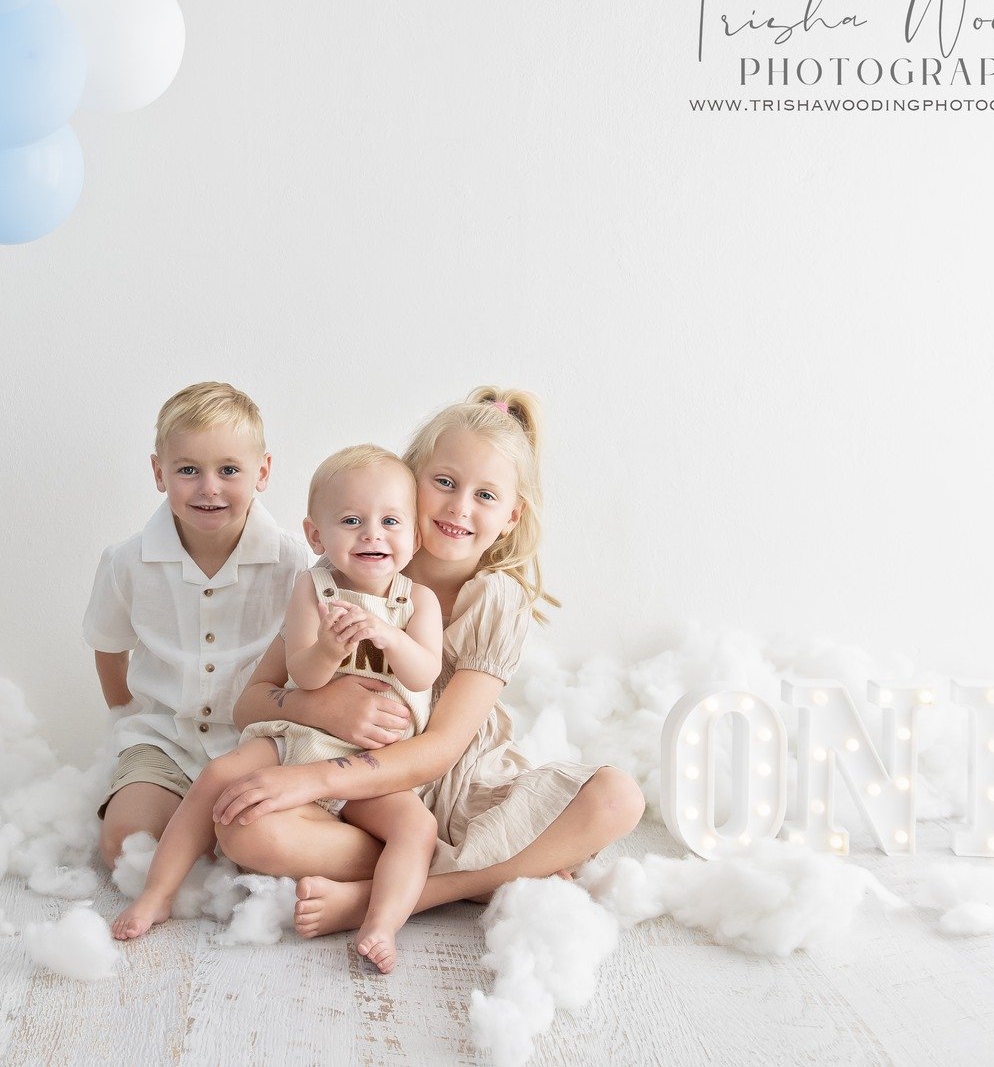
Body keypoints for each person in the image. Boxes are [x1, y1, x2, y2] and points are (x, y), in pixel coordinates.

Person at [209, 387, 647, 937]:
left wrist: (311, 781)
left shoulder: (495, 599)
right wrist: (321, 710)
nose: (459, 507)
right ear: (409, 479)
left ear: (512, 516)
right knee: (242, 832)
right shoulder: (351, 573)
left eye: (485, 495)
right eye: (444, 482)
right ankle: (492, 870)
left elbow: (440, 750)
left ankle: (414, 896)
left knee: (617, 798)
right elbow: (250, 702)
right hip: (370, 803)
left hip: (454, 789)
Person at [111, 446, 443, 972]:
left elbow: (424, 673)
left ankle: (380, 922)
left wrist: (387, 636)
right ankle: (157, 892)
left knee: (417, 829)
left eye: (390, 522)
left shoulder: (417, 601)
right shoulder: (314, 588)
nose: (372, 534)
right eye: (352, 521)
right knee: (220, 773)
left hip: (372, 762)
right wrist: (332, 648)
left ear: (415, 536)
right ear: (316, 536)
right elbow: (305, 675)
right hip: (299, 740)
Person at [84, 381, 313, 867]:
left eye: (229, 470)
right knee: (126, 846)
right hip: (165, 738)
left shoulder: (293, 561)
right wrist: (125, 716)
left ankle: (214, 834)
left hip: (257, 742)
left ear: (263, 471)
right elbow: (108, 646)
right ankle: (179, 818)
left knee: (255, 843)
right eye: (188, 470)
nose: (209, 488)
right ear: (159, 472)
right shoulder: (127, 561)